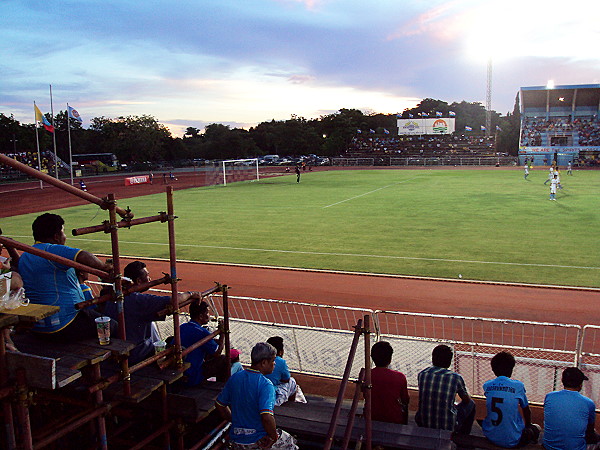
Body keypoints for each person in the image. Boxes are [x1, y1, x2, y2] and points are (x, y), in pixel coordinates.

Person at [18, 213, 117, 341]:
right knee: (112, 326)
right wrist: (104, 268)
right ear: (56, 236)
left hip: (39, 326)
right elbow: (82, 255)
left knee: (97, 317)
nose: (65, 237)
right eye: (63, 233)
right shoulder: (51, 250)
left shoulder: (25, 255)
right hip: (64, 323)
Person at [104, 261, 202, 364]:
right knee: (180, 351)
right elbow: (173, 300)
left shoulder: (113, 296)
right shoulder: (139, 300)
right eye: (147, 276)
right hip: (136, 355)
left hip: (118, 352)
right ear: (138, 281)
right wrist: (190, 293)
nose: (150, 279)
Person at [215, 342, 298, 449]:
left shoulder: (235, 378)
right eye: (273, 361)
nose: (274, 364)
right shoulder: (265, 384)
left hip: (236, 439)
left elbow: (220, 404)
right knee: (291, 443)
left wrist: (234, 420)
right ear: (264, 362)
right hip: (256, 440)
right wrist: (273, 437)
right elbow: (266, 417)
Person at [481, 352, 540, 448]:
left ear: (493, 369)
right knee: (537, 428)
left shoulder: (487, 385)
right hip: (513, 440)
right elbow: (526, 410)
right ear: (511, 369)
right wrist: (528, 425)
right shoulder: (518, 386)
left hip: (490, 436)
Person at [415, 344, 475, 434]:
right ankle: (464, 438)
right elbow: (466, 400)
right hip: (447, 426)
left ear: (433, 359)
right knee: (471, 404)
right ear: (449, 361)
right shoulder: (455, 377)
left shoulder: (422, 374)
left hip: (423, 422)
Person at [543, 367, 599, 450]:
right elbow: (590, 431)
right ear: (580, 385)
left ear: (562, 381)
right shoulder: (588, 403)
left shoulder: (549, 396)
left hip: (548, 446)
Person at [180, 300, 227, 386]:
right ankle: (220, 388)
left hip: (182, 371)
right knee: (223, 359)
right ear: (201, 316)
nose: (209, 316)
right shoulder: (202, 333)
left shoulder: (182, 327)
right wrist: (223, 333)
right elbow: (217, 352)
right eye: (207, 313)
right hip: (193, 374)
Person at [370, 341, 410, 424]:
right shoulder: (400, 377)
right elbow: (405, 400)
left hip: (371, 416)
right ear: (390, 358)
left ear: (372, 357)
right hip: (394, 419)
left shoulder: (366, 375)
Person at [265, 336, 298, 406]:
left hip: (258, 392)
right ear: (280, 352)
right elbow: (286, 379)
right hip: (272, 397)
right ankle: (292, 406)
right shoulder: (280, 361)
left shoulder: (259, 358)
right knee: (292, 381)